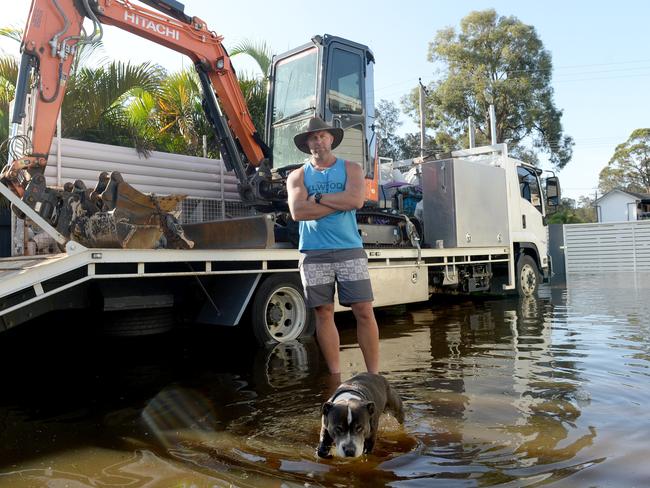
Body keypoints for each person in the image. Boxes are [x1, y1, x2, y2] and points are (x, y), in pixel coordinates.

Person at [287, 116, 379, 377]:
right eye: (313, 137)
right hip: (313, 252)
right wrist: (336, 202)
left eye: (323, 136)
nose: (318, 141)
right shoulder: (297, 176)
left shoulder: (352, 168)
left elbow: (356, 200)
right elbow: (298, 211)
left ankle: (374, 376)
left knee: (363, 310)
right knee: (324, 312)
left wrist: (316, 198)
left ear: (331, 139)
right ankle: (335, 376)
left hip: (349, 248)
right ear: (307, 144)